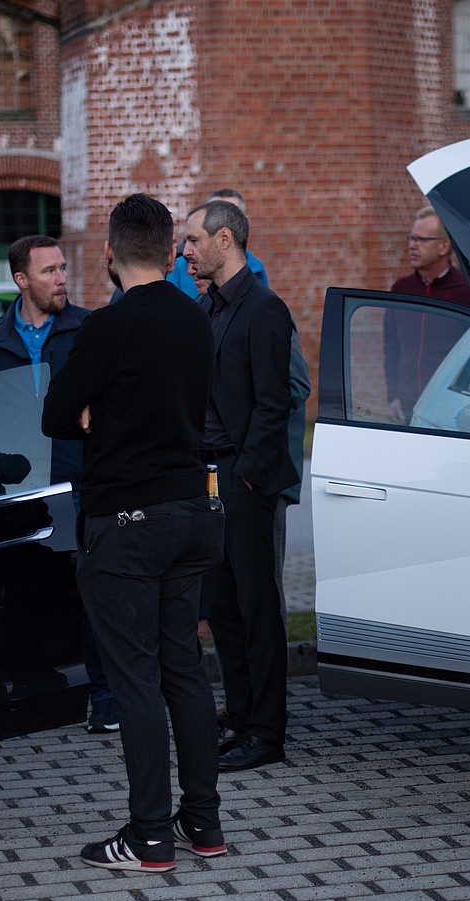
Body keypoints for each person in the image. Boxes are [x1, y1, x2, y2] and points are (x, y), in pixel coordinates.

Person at [41, 193, 225, 874]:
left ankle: (149, 834)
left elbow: (56, 414)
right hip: (190, 511)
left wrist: (94, 407)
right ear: (171, 250)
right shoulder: (195, 316)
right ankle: (202, 820)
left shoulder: (108, 325)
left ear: (110, 252)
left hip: (127, 521)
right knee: (184, 669)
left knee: (136, 678)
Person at [0, 235, 119, 731]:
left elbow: (114, 391)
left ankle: (104, 697)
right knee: (25, 590)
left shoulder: (89, 327)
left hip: (80, 483)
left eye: (63, 268)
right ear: (21, 280)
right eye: (49, 271)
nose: (62, 279)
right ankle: (35, 692)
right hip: (19, 489)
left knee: (92, 593)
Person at [182, 199, 298, 773]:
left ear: (224, 239)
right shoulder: (206, 307)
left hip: (243, 478)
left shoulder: (265, 308)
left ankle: (268, 734)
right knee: (223, 607)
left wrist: (247, 474)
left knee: (257, 608)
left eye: (192, 240)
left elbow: (276, 403)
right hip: (206, 475)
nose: (184, 251)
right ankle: (244, 717)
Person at [383, 207, 470, 423]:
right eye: (411, 238)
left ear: (444, 246)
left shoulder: (468, 292)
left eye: (421, 240)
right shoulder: (401, 290)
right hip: (407, 406)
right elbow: (391, 347)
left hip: (452, 407)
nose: (412, 245)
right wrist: (393, 397)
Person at [168, 188, 268, 299]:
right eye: (215, 214)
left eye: (231, 214)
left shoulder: (256, 267)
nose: (224, 221)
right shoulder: (178, 266)